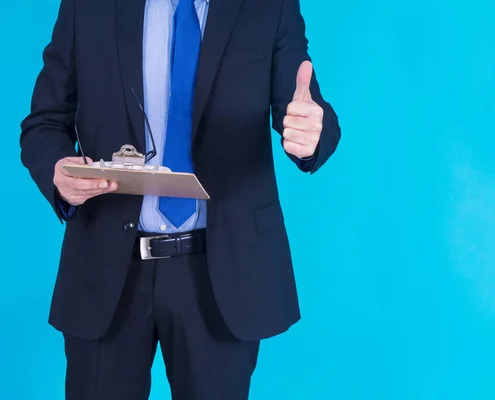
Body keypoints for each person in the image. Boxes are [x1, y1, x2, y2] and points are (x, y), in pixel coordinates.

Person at [19, 0, 340, 398]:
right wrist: (57, 172)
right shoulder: (88, 6)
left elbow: (305, 108)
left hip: (220, 276)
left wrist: (312, 136)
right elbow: (44, 123)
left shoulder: (268, 7)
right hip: (107, 270)